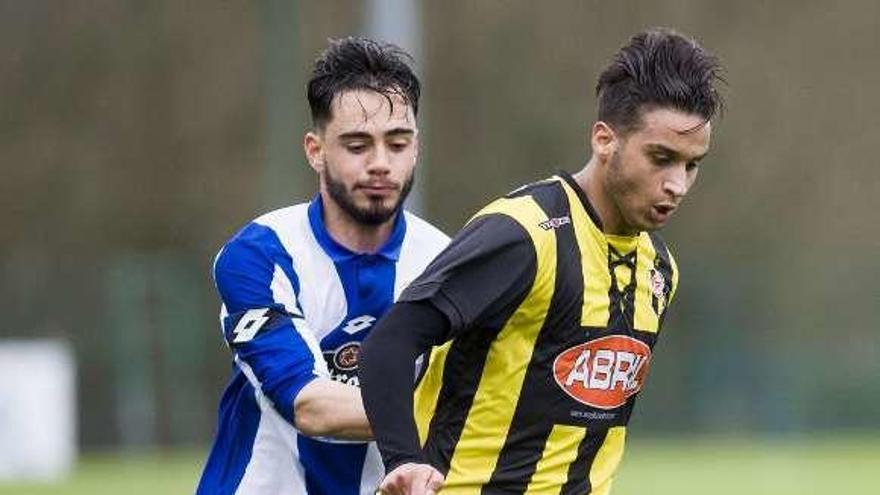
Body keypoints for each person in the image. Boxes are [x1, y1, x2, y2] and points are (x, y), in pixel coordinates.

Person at [360, 28, 724, 495]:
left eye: (691, 165)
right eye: (661, 158)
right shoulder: (523, 235)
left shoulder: (659, 271)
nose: (677, 184)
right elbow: (388, 345)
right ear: (604, 139)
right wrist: (404, 461)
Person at [196, 37, 449, 495]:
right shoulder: (260, 255)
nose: (380, 164)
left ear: (417, 148)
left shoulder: (446, 261)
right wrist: (460, 415)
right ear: (315, 150)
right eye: (357, 145)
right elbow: (310, 405)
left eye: (397, 144)